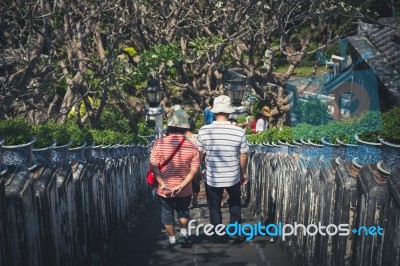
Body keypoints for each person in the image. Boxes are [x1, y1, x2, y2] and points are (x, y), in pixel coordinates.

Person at [196, 95, 249, 243]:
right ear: (229, 112)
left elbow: (199, 153)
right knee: (234, 202)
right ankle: (234, 231)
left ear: (214, 111)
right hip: (233, 174)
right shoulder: (239, 132)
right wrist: (243, 173)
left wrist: (200, 168)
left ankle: (217, 234)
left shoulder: (204, 130)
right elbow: (243, 156)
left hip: (212, 175)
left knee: (213, 204)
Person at [149, 109, 200, 248]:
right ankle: (183, 235)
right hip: (184, 188)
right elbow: (194, 170)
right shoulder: (192, 146)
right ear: (185, 129)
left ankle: (172, 240)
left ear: (170, 127)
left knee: (167, 212)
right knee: (183, 209)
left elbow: (154, 167)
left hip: (164, 188)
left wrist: (163, 184)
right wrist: (181, 185)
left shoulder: (159, 144)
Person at [186, 118, 201, 209]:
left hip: (183, 162)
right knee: (195, 182)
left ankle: (189, 199)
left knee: (187, 181)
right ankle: (194, 199)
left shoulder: (180, 137)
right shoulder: (197, 137)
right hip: (195, 162)